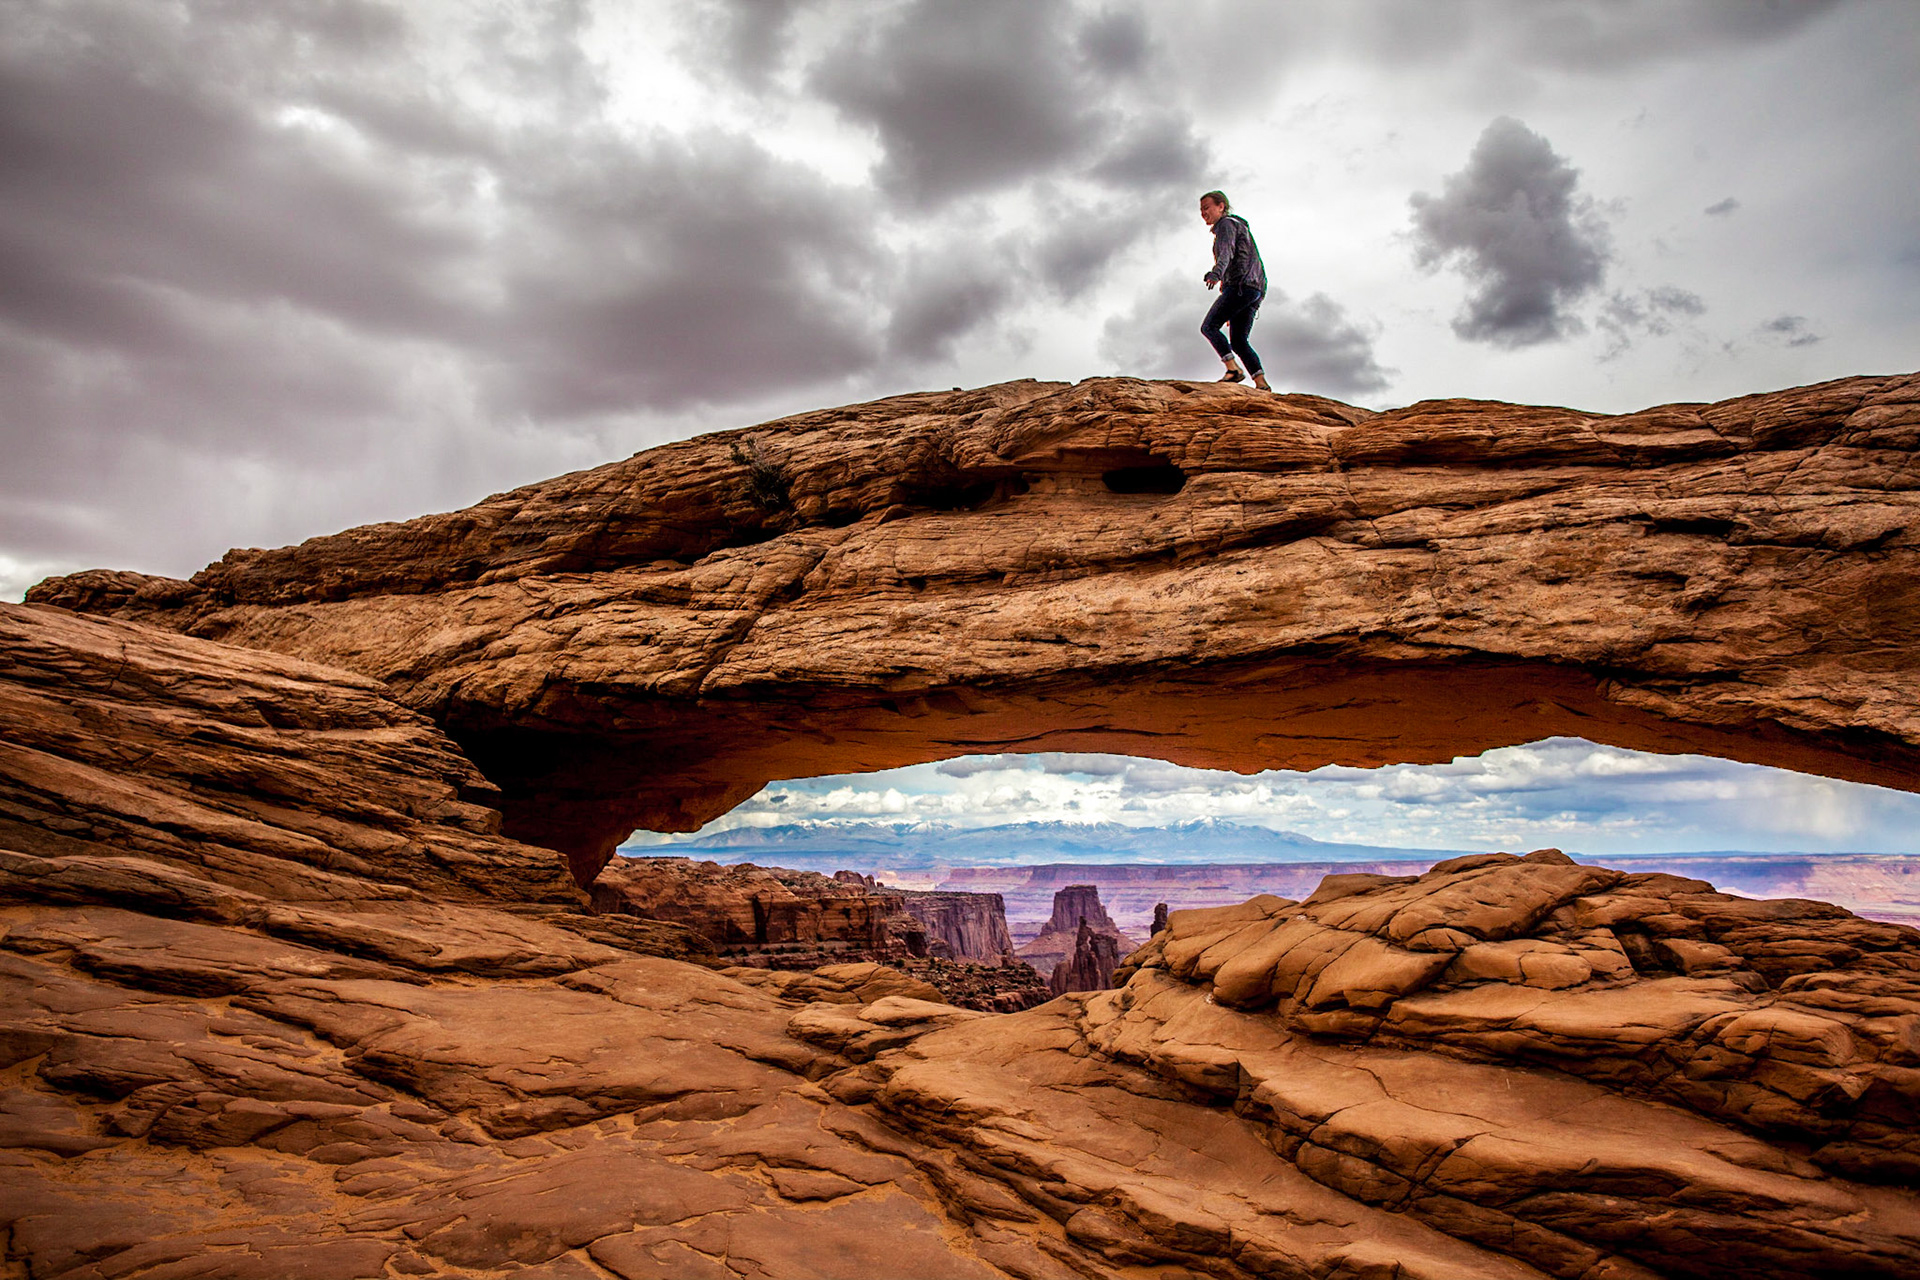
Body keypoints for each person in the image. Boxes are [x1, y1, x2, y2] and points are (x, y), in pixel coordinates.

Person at [1198, 190, 1271, 390]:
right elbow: (1254, 262)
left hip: (1240, 286)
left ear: (1221, 206)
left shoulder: (1226, 225)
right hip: (1253, 289)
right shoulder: (1241, 227)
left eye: (1207, 207)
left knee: (1209, 327)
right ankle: (1261, 383)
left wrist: (1216, 274)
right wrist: (1253, 299)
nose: (1203, 213)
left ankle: (1233, 370)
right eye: (1201, 210)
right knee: (1239, 341)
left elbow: (1226, 252)